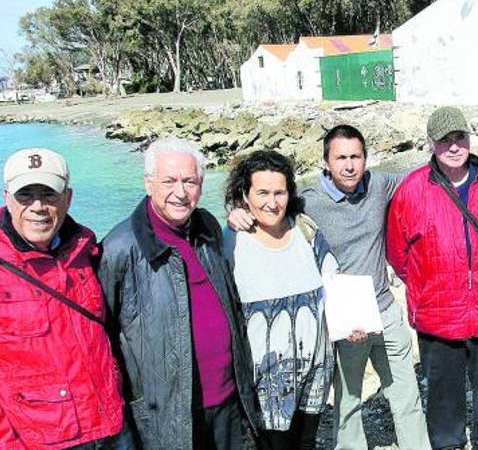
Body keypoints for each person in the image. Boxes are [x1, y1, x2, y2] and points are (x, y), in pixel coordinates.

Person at [228, 125, 430, 450]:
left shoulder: (378, 185)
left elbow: (423, 176)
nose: (349, 166)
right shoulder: (307, 202)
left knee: (407, 395)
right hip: (343, 319)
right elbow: (268, 209)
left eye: (356, 157)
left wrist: (462, 157)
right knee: (347, 403)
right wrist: (235, 213)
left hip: (387, 312)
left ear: (366, 159)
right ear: (326, 162)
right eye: (340, 158)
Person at [98, 137, 258, 450]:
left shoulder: (207, 227)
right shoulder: (120, 249)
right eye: (169, 181)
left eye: (190, 181)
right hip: (168, 414)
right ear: (148, 183)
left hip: (226, 401)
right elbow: (105, 341)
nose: (180, 192)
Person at [386, 107, 478, 450]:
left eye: (460, 137)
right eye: (445, 140)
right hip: (437, 311)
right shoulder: (412, 189)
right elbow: (397, 252)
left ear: (469, 139)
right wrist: (426, 283)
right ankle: (448, 444)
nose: (454, 146)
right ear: (431, 144)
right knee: (444, 389)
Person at [0, 148, 128, 450]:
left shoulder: (87, 250)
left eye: (48, 194)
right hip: (42, 440)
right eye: (25, 195)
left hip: (111, 426)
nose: (37, 207)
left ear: (68, 198)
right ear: (8, 198)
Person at [222, 150, 335, 450]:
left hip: (316, 375)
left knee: (307, 442)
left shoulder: (305, 230)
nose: (272, 202)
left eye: (279, 192)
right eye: (262, 192)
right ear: (244, 195)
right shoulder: (231, 242)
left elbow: (335, 283)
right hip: (264, 388)